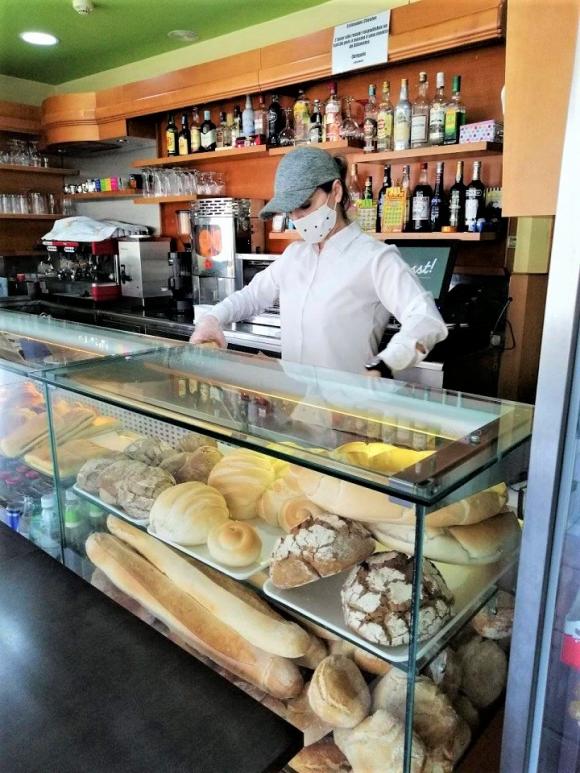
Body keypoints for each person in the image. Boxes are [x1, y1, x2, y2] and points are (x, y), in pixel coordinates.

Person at [190, 146, 447, 377]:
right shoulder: (294, 256)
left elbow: (425, 319)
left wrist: (384, 363)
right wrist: (213, 318)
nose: (297, 219)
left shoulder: (375, 258)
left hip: (347, 406)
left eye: (305, 205)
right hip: (296, 404)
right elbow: (252, 297)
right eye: (290, 212)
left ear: (336, 191)